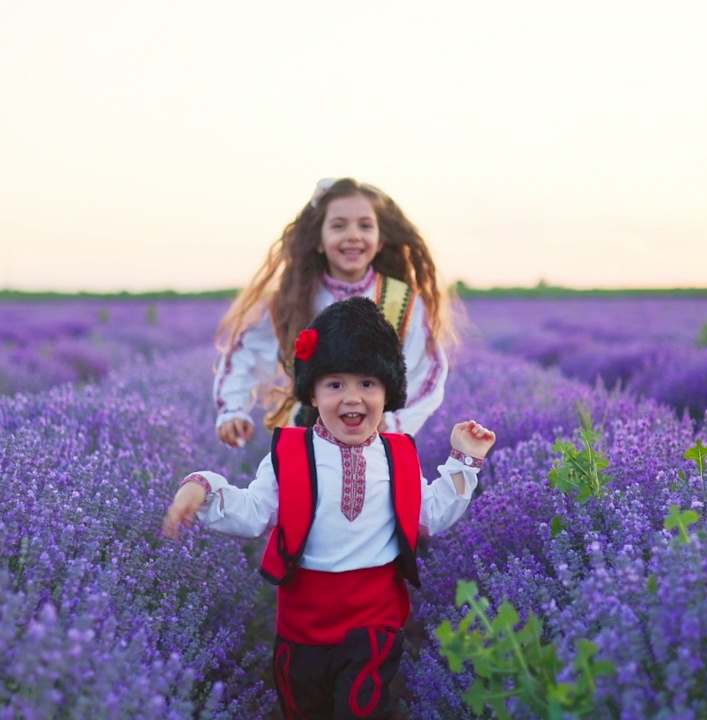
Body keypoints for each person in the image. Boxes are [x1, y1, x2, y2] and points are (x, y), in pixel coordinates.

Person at [165, 297, 495, 719]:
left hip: (374, 619)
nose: (351, 398)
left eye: (367, 384)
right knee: (305, 709)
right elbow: (253, 513)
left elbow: (429, 514)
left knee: (363, 709)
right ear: (313, 393)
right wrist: (204, 488)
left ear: (388, 392)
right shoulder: (291, 451)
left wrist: (464, 460)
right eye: (334, 384)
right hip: (303, 624)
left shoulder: (398, 454)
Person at [213, 177, 454, 448]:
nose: (353, 235)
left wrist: (395, 423)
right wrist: (233, 408)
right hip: (306, 439)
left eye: (365, 225)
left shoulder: (402, 300)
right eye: (339, 226)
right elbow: (247, 354)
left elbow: (426, 370)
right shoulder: (294, 298)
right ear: (318, 240)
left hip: (378, 443)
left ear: (381, 239)